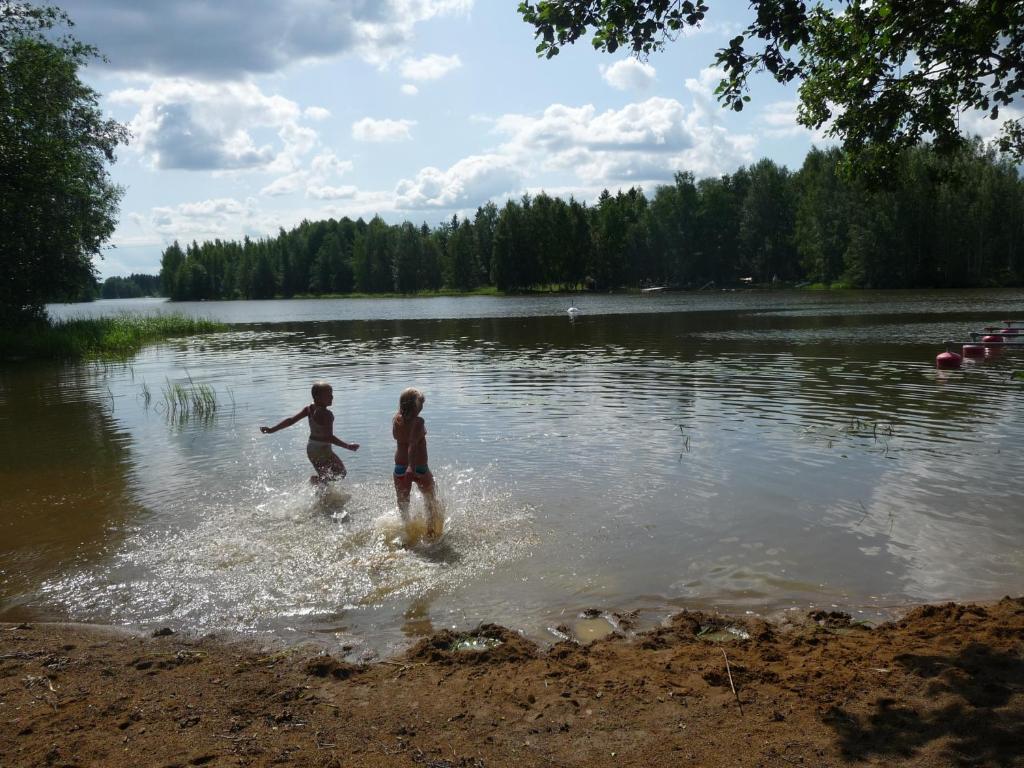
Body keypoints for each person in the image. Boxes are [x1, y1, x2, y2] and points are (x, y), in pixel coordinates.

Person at [261, 381, 359, 484]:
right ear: (317, 397)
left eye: (332, 394)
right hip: (322, 449)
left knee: (324, 477)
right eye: (328, 395)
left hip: (312, 449)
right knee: (341, 473)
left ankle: (320, 490)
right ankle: (316, 482)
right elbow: (328, 437)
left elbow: (290, 421)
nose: (332, 397)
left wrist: (272, 429)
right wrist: (347, 446)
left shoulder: (309, 409)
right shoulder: (326, 414)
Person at [392, 387, 441, 537]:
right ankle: (430, 531)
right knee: (431, 498)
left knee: (403, 503)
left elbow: (400, 440)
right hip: (418, 468)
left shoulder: (396, 420)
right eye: (421, 405)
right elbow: (413, 444)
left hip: (399, 468)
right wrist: (411, 468)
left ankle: (406, 532)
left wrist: (406, 468)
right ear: (416, 407)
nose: (422, 408)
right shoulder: (418, 422)